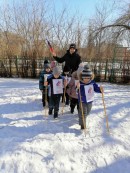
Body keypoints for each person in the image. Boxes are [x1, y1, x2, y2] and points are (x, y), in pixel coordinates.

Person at [77, 64, 103, 130]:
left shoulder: (92, 83)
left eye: (88, 78)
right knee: (84, 113)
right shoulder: (80, 83)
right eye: (85, 78)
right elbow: (76, 90)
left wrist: (100, 90)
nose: (86, 79)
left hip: (90, 100)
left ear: (90, 77)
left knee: (88, 112)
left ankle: (82, 119)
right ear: (82, 77)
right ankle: (83, 125)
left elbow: (96, 88)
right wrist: (78, 87)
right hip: (82, 100)